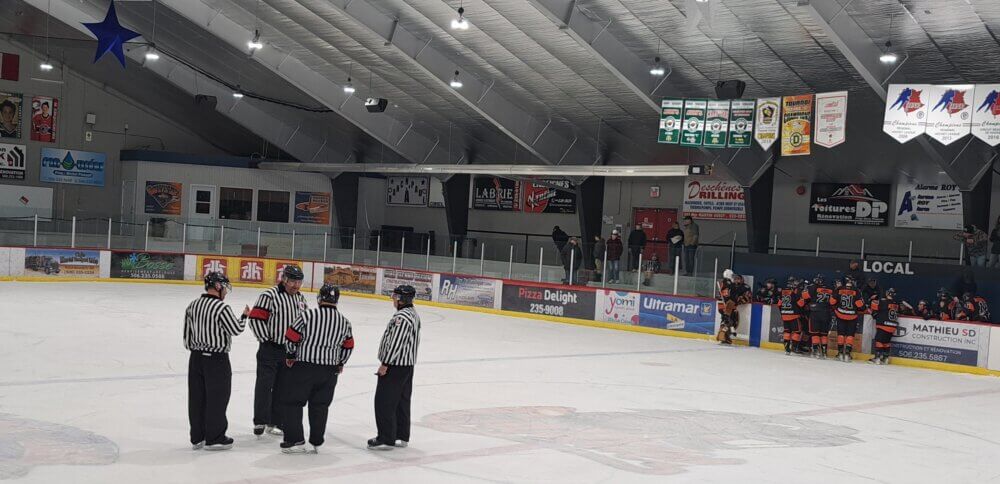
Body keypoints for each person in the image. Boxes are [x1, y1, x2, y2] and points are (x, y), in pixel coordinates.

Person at [280, 284, 354, 454]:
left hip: (304, 367)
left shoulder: (308, 315)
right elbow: (349, 345)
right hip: (329, 371)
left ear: (320, 298)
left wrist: (291, 355)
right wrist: (340, 362)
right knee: (320, 405)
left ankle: (295, 439)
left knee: (293, 402)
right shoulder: (344, 321)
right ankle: (317, 440)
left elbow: (291, 336)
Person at [184, 272, 248, 451]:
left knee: (197, 398)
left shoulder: (192, 305)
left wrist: (197, 351)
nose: (226, 291)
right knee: (217, 399)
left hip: (196, 358)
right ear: (218, 286)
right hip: (217, 360)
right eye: (225, 287)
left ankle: (197, 437)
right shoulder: (222, 308)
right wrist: (244, 317)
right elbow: (235, 329)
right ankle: (215, 437)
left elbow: (187, 336)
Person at [249, 265, 308, 436]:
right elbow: (255, 319)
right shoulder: (269, 295)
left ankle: (275, 421)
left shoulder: (301, 299)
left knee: (283, 387)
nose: (296, 285)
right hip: (270, 348)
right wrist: (265, 339)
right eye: (292, 281)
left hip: (290, 352)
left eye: (299, 282)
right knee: (264, 386)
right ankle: (260, 421)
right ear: (284, 279)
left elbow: (305, 323)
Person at [368, 285, 422, 450]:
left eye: (395, 296)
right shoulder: (413, 314)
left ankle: (386, 436)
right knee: (402, 401)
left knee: (384, 401)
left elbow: (396, 343)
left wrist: (386, 364)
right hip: (407, 366)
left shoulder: (402, 317)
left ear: (400, 299)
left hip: (396, 366)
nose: (393, 299)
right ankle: (401, 434)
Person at [798, 274, 836, 359]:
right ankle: (824, 352)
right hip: (826, 313)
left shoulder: (813, 287)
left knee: (815, 333)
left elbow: (804, 296)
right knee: (823, 334)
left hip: (815, 313)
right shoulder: (830, 289)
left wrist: (805, 289)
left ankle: (816, 351)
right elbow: (833, 302)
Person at [833, 278, 866, 362]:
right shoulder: (856, 291)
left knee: (841, 334)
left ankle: (840, 353)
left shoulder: (839, 289)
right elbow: (861, 306)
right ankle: (847, 353)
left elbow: (832, 302)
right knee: (850, 335)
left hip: (840, 315)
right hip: (852, 316)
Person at [716, 270, 750, 345]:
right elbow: (729, 295)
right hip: (728, 304)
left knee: (727, 320)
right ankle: (723, 334)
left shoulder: (724, 283)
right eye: (732, 276)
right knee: (728, 321)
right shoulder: (728, 283)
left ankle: (726, 336)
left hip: (723, 304)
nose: (733, 278)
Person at [870, 288, 901, 365]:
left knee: (879, 341)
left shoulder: (883, 302)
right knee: (886, 342)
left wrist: (873, 299)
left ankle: (877, 358)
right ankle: (885, 358)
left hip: (883, 325)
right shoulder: (896, 304)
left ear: (888, 293)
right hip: (892, 326)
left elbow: (873, 306)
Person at [778, 276, 803, 355]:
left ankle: (786, 348)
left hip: (785, 315)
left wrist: (783, 312)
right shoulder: (795, 291)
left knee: (787, 332)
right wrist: (802, 298)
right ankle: (794, 348)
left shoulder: (783, 291)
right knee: (797, 331)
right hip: (794, 315)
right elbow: (801, 304)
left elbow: (779, 304)